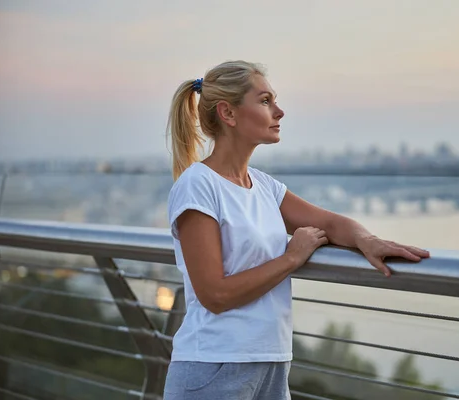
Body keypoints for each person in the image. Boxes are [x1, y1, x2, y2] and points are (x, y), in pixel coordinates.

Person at [164, 60, 430, 400]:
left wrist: (369, 241)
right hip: (213, 368)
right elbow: (215, 295)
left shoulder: (262, 186)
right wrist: (292, 258)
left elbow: (331, 223)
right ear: (228, 113)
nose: (279, 111)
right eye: (265, 101)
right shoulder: (198, 186)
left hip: (272, 364)